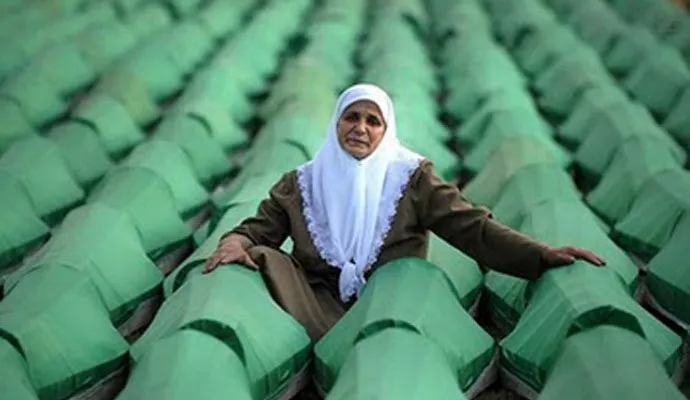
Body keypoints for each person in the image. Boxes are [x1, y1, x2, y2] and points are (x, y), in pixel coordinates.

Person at [204, 83, 606, 341]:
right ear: (336, 123)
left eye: (373, 121)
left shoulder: (410, 178)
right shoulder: (302, 182)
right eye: (351, 117)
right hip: (314, 298)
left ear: (386, 130)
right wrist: (234, 242)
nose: (361, 128)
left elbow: (472, 228)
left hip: (389, 298)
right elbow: (256, 231)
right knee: (258, 258)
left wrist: (540, 255)